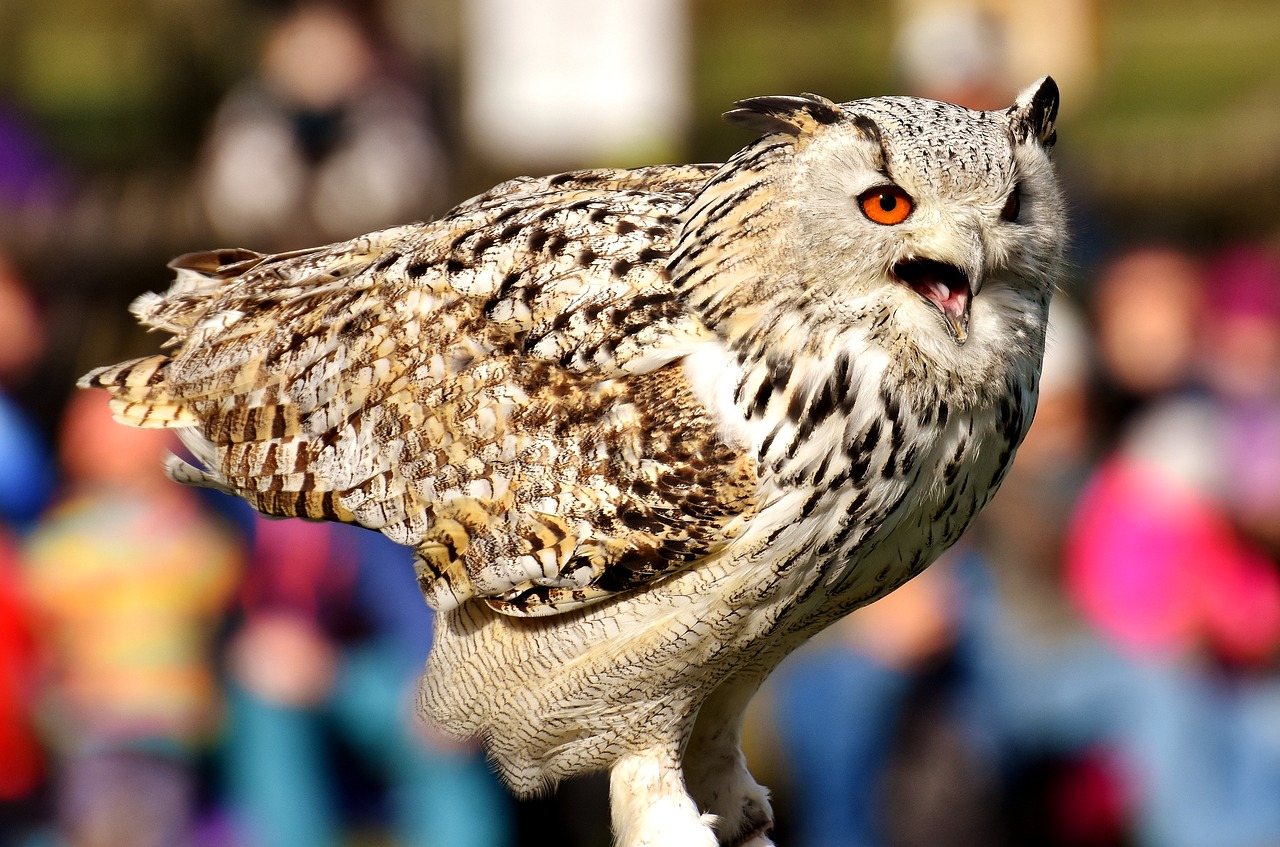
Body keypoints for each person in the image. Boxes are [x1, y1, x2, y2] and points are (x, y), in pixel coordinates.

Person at [24, 391, 242, 847]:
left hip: (167, 721)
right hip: (93, 720)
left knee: (160, 821)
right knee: (97, 821)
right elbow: (41, 590)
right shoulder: (70, 534)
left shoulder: (189, 534)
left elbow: (218, 581)